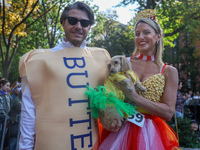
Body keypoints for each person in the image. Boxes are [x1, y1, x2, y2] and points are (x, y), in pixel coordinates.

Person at [19, 1, 110, 150]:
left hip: (92, 143)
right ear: (63, 22)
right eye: (73, 21)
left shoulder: (103, 60)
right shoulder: (39, 61)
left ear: (89, 27)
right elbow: (29, 111)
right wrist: (25, 147)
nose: (78, 26)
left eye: (84, 23)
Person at [98, 9, 181, 149]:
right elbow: (106, 93)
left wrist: (134, 96)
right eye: (137, 34)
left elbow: (168, 113)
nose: (140, 37)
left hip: (152, 136)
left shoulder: (169, 71)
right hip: (118, 131)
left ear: (158, 36)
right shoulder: (121, 63)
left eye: (146, 32)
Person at [0, 80, 12, 146]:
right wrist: (5, 117)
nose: (8, 87)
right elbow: (0, 109)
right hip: (2, 120)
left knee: (4, 137)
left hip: (6, 120)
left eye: (9, 86)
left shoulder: (7, 95)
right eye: (7, 85)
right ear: (2, 85)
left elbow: (11, 105)